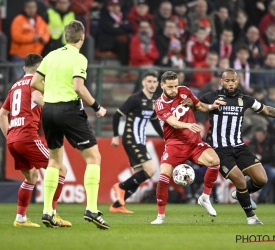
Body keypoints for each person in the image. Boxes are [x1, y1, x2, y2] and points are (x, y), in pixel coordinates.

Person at [31, 20, 110, 229]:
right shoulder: (79, 58)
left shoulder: (51, 55)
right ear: (82, 38)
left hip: (48, 110)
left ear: (65, 37)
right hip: (69, 110)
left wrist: (51, 94)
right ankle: (92, 209)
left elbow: (34, 83)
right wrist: (97, 106)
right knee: (93, 157)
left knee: (54, 161)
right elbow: (78, 86)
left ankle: (48, 211)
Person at [0, 53, 71, 228]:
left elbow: (1, 115)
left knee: (32, 177)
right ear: (41, 69)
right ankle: (52, 214)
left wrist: (11, 136)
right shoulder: (36, 83)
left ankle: (20, 219)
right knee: (61, 168)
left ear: (24, 68)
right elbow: (38, 98)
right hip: (28, 137)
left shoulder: (15, 86)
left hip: (13, 139)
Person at [199, 68, 275, 224]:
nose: (230, 83)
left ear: (238, 81)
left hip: (239, 147)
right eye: (227, 80)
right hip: (219, 150)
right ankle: (251, 217)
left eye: (233, 80)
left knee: (261, 179)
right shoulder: (211, 97)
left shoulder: (245, 99)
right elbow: (196, 105)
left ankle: (240, 194)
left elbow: (266, 110)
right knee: (240, 180)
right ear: (222, 82)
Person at [151, 71, 225, 224]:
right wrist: (188, 125)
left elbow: (199, 106)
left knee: (215, 161)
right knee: (163, 177)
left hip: (193, 142)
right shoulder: (159, 104)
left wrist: (212, 106)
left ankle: (204, 197)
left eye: (176, 85)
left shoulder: (184, 91)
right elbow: (173, 122)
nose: (174, 90)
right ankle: (160, 216)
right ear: (162, 86)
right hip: (175, 144)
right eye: (170, 87)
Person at [110, 70, 163, 214]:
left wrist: (165, 136)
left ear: (157, 83)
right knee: (151, 170)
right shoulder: (135, 99)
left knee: (139, 175)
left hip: (140, 140)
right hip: (131, 139)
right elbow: (116, 115)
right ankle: (120, 186)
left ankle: (116, 205)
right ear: (143, 83)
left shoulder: (154, 101)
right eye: (149, 81)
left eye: (154, 82)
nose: (152, 84)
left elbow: (154, 121)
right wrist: (115, 136)